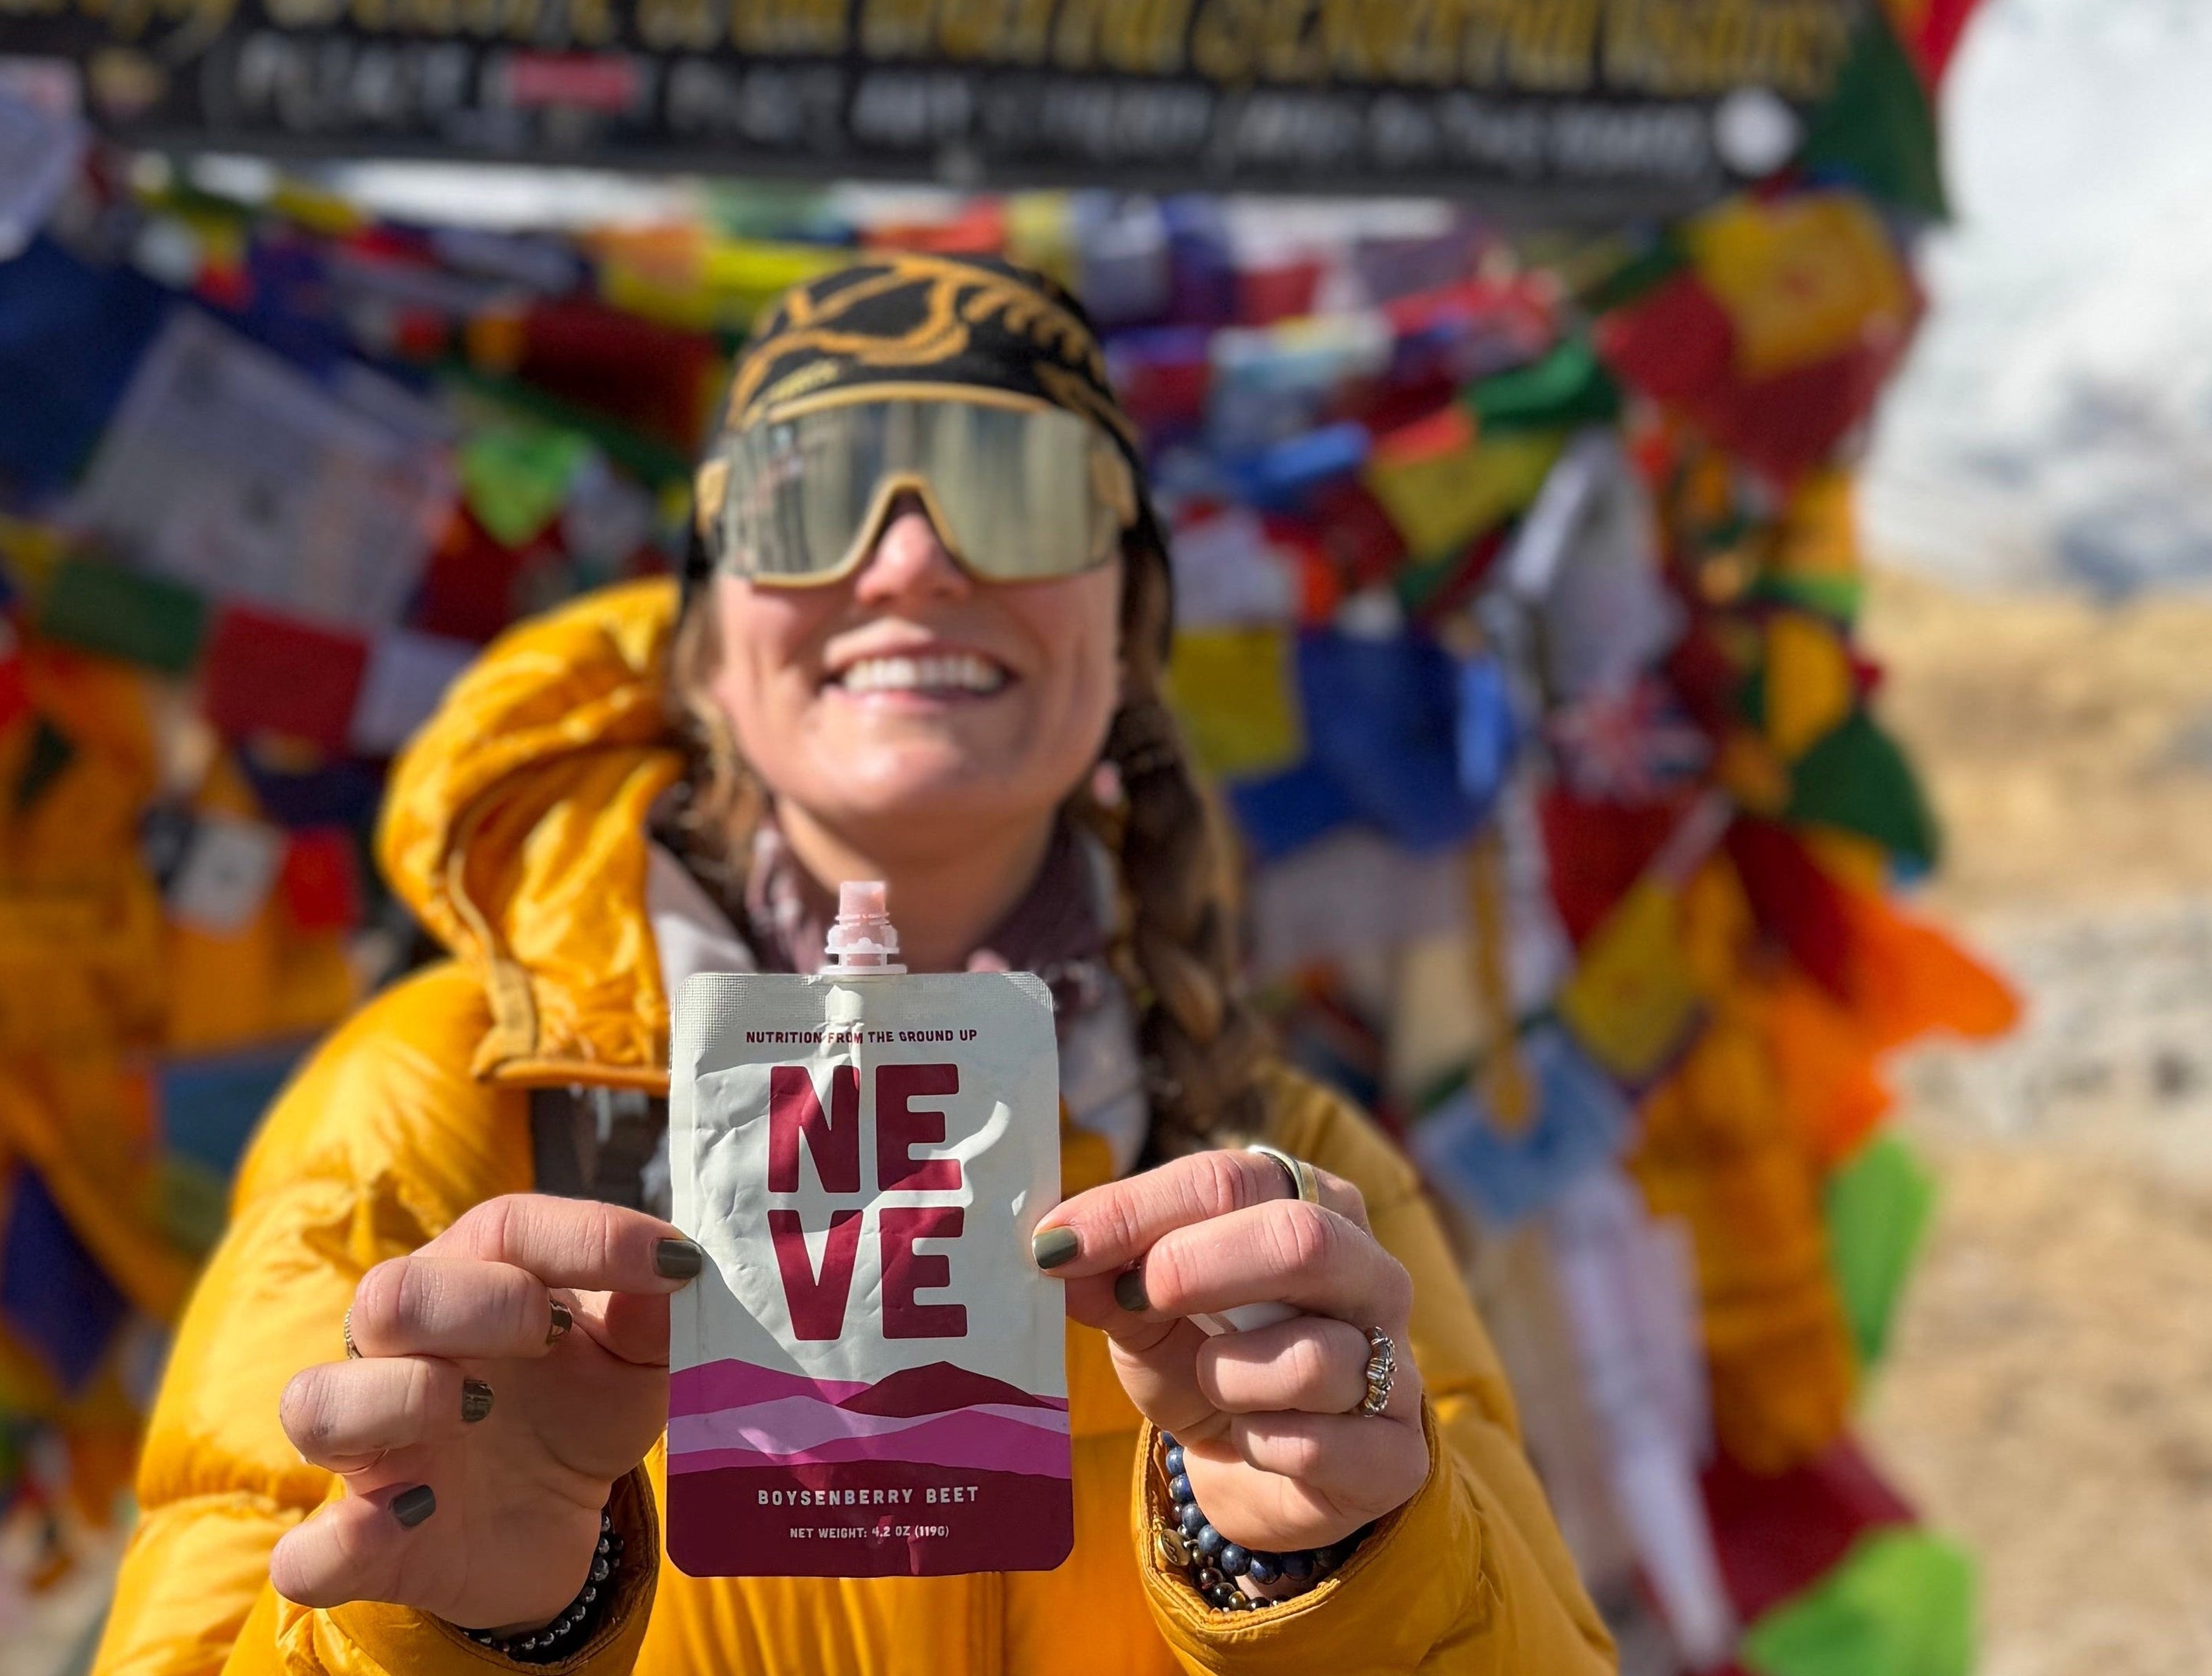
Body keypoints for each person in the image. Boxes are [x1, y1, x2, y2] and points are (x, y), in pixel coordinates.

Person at [93, 255, 1615, 1676]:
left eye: (1014, 491)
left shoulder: (1276, 1181)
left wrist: (1312, 1566)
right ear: (706, 645)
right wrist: (467, 1632)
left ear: (1127, 625)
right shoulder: (444, 1102)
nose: (908, 560)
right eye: (806, 496)